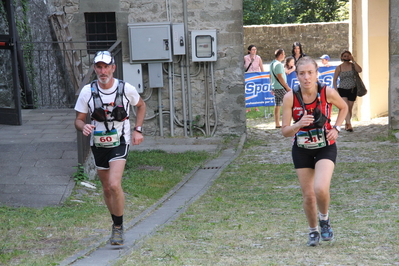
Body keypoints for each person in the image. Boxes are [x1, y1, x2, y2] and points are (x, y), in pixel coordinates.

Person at [74, 51, 146, 245]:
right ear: (95, 69)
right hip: (98, 144)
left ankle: (118, 227)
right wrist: (84, 126)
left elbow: (141, 105)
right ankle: (115, 222)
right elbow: (78, 121)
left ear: (113, 68)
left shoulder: (125, 89)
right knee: (106, 188)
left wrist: (137, 130)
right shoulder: (88, 92)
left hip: (120, 141)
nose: (103, 71)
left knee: (114, 184)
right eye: (99, 67)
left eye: (106, 67)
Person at [281, 56, 348, 247]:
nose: (307, 78)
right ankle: (313, 231)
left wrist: (336, 128)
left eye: (310, 73)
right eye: (302, 74)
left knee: (320, 188)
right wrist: (297, 125)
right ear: (296, 76)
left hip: (325, 146)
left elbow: (343, 108)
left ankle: (324, 220)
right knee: (308, 194)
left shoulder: (326, 92)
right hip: (301, 149)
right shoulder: (290, 98)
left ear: (316, 74)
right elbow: (285, 132)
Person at [333, 50, 362, 132]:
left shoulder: (353, 66)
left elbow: (359, 70)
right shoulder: (339, 67)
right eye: (345, 56)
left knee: (349, 108)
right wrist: (336, 89)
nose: (346, 57)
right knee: (345, 106)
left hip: (352, 89)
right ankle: (349, 125)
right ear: (342, 57)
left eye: (348, 56)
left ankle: (347, 123)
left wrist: (354, 61)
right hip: (342, 89)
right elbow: (334, 79)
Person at [270, 48, 291, 128]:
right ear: (281, 55)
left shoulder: (272, 63)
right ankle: (287, 123)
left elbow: (271, 76)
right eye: (284, 54)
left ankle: (277, 123)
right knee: (288, 103)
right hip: (280, 87)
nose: (284, 56)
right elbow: (280, 77)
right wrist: (287, 87)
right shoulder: (278, 64)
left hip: (276, 86)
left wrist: (272, 86)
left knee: (277, 105)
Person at [244, 45, 265, 112]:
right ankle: (248, 107)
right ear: (249, 51)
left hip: (256, 76)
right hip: (248, 77)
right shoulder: (245, 58)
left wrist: (263, 77)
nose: (254, 51)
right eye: (253, 49)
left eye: (255, 49)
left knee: (256, 91)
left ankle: (256, 107)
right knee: (248, 92)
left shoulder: (258, 58)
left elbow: (261, 68)